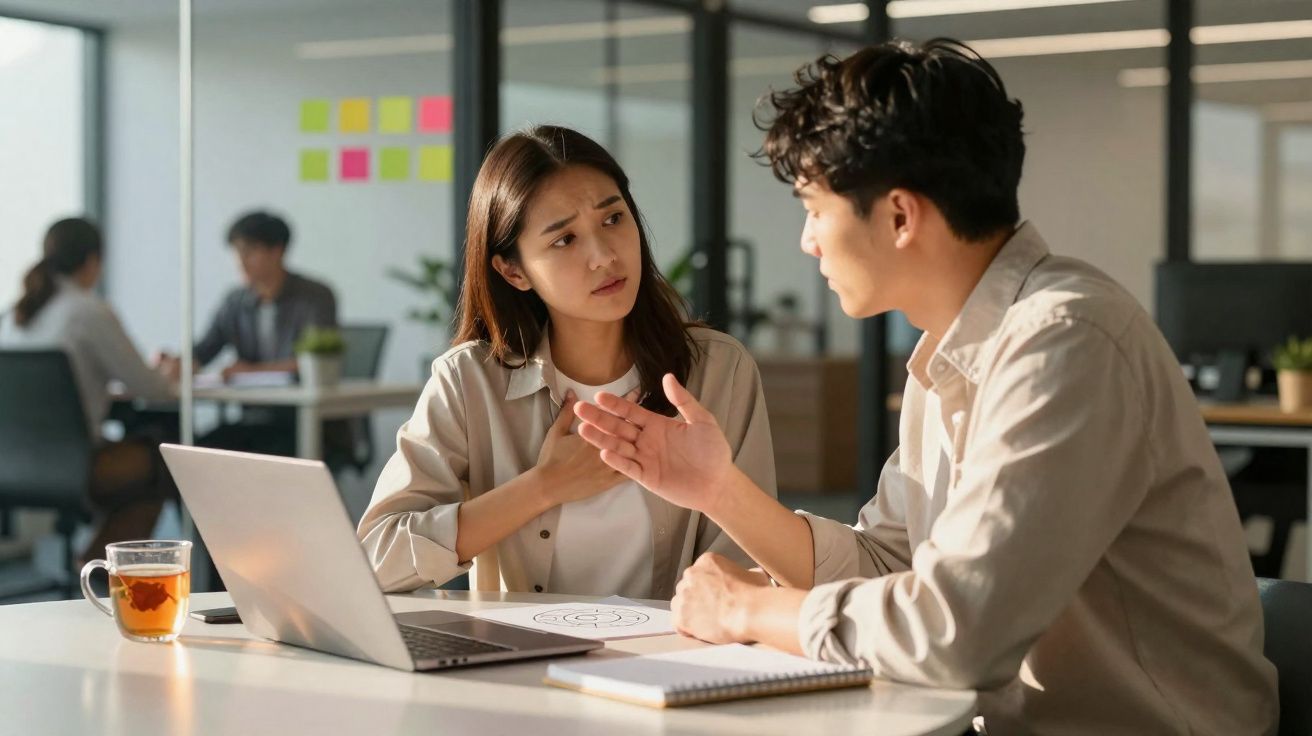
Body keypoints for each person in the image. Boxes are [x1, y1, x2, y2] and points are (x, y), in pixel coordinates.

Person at [573, 40, 1278, 734]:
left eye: (815, 209)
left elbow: (955, 632)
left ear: (901, 216)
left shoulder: (1066, 342)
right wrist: (718, 490)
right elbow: (888, 562)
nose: (807, 242)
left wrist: (746, 611)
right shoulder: (949, 349)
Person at [357, 125, 776, 598]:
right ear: (513, 271)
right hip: (516, 665)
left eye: (613, 219)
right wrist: (544, 486)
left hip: (675, 659)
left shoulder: (720, 370)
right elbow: (376, 558)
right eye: (564, 240)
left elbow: (750, 564)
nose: (603, 256)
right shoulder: (469, 380)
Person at [0, 218, 176, 561]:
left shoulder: (12, 316)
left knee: (142, 487)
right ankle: (96, 571)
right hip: (73, 466)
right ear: (93, 261)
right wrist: (167, 372)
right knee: (167, 462)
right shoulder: (88, 311)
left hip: (11, 465)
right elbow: (151, 388)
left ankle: (98, 569)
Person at [159, 210, 338, 456]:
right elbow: (205, 349)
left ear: (277, 251)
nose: (240, 261)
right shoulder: (236, 301)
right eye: (236, 252)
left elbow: (315, 363)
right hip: (254, 418)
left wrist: (251, 371)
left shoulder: (315, 297)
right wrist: (178, 363)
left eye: (249, 251)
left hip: (299, 421)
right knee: (199, 453)